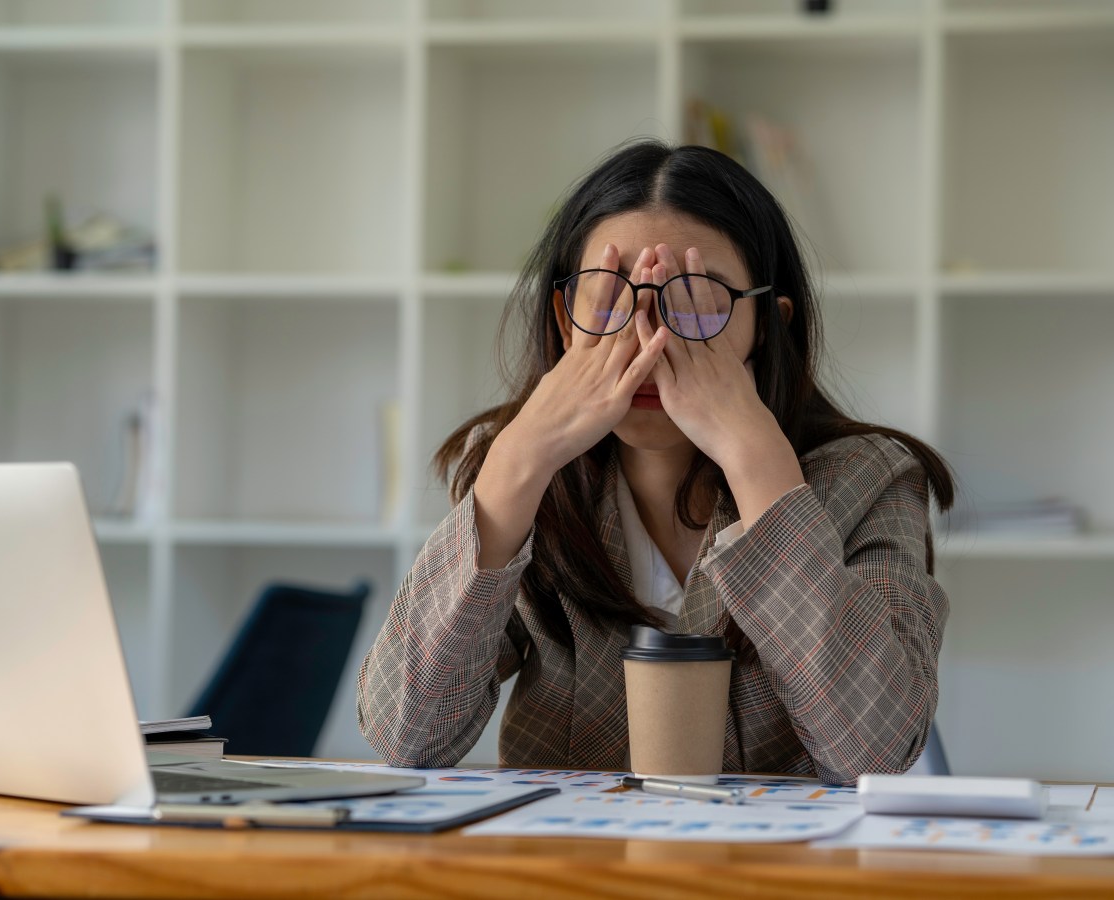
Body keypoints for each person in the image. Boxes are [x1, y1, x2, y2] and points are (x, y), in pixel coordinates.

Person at [357, 140, 954, 785]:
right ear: (564, 319)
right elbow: (404, 735)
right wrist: (517, 462)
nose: (647, 337)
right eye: (610, 296)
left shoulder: (872, 480)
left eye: (695, 299)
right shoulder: (521, 475)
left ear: (768, 326)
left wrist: (760, 467)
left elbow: (878, 750)